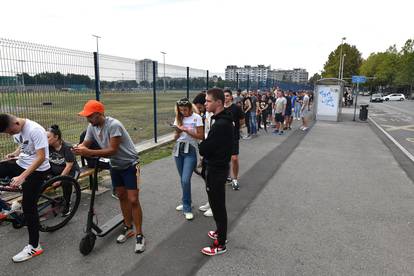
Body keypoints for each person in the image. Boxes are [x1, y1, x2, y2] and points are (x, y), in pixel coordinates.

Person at [72, 100, 145, 253]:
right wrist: (79, 148)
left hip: (130, 165)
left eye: (90, 116)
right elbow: (86, 143)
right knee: (121, 196)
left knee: (133, 199)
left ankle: (139, 234)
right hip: (115, 166)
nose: (88, 119)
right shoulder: (91, 126)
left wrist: (88, 152)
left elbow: (112, 150)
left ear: (99, 114)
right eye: (87, 116)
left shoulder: (114, 125)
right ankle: (128, 227)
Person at [0, 113, 50, 262]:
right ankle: (6, 208)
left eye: (10, 132)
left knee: (29, 208)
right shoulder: (17, 128)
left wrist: (23, 177)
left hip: (38, 170)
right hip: (21, 163)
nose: (10, 134)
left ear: (15, 123)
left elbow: (41, 157)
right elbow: (24, 143)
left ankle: (35, 246)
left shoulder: (35, 130)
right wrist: (15, 153)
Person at [199, 88, 234, 256]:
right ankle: (221, 232)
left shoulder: (221, 123)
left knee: (217, 205)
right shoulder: (221, 119)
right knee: (216, 203)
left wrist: (202, 145)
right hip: (217, 166)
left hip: (217, 169)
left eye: (208, 101)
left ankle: (220, 243)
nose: (205, 103)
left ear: (218, 102)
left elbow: (204, 148)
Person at [173, 98, 204, 220]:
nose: (183, 112)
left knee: (186, 180)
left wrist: (187, 131)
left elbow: (201, 136)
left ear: (190, 108)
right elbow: (176, 137)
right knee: (182, 179)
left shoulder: (197, 118)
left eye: (185, 110)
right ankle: (187, 201)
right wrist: (176, 133)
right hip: (178, 149)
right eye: (181, 110)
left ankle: (187, 207)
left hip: (190, 150)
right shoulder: (178, 118)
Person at [47, 124, 80, 216]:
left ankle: (67, 204)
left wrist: (59, 179)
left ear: (56, 137)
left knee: (66, 182)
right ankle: (56, 200)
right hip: (55, 172)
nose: (45, 140)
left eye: (48, 137)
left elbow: (69, 166)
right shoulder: (47, 147)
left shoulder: (67, 147)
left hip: (72, 171)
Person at [224, 89, 244, 190]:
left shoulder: (236, 108)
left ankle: (235, 178)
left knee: (234, 159)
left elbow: (242, 120)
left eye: (227, 96)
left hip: (233, 137)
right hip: (222, 138)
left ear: (231, 97)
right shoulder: (220, 108)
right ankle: (226, 176)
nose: (225, 98)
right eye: (224, 96)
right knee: (224, 159)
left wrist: (236, 129)